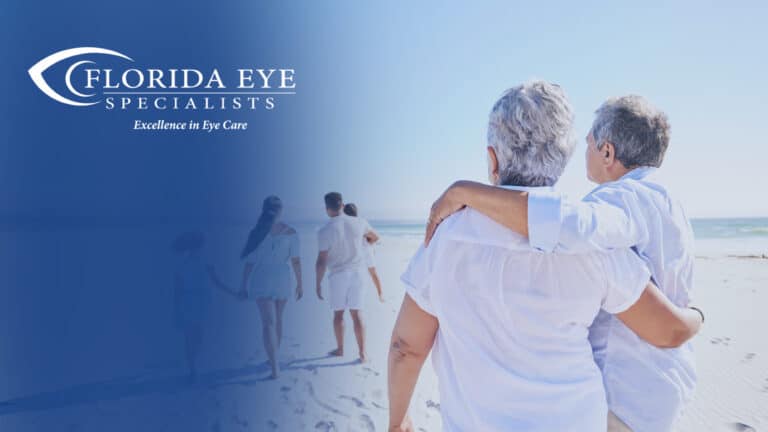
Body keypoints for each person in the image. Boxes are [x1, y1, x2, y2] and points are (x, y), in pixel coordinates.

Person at [388, 81, 703, 432]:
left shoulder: (445, 237)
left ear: (492, 159)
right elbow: (664, 328)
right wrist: (697, 317)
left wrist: (398, 421)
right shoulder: (601, 248)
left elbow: (406, 346)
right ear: (562, 161)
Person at [239, 195, 302, 379]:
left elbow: (249, 262)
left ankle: (274, 366)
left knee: (268, 323)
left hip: (262, 277)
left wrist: (243, 285)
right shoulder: (291, 232)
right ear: (281, 210)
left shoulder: (257, 231)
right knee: (278, 320)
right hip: (282, 277)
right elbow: (296, 261)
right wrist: (300, 283)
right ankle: (273, 361)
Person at [316, 192, 376, 363]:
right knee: (357, 314)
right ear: (342, 205)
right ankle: (363, 354)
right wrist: (362, 245)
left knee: (339, 314)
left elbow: (321, 261)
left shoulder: (324, 230)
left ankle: (340, 349)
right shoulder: (359, 222)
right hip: (358, 274)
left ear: (327, 209)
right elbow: (375, 237)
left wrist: (317, 283)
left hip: (338, 275)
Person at [172, 231, 229, 382]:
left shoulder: (206, 263)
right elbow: (177, 290)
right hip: (189, 300)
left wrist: (233, 293)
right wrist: (176, 309)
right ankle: (192, 369)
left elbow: (217, 282)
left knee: (198, 336)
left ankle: (192, 364)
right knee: (191, 336)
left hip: (201, 301)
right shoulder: (182, 265)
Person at [343, 203, 384, 302]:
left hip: (355, 254)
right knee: (373, 274)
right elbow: (376, 237)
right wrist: (368, 242)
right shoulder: (361, 222)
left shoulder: (344, 224)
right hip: (366, 251)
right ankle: (380, 295)